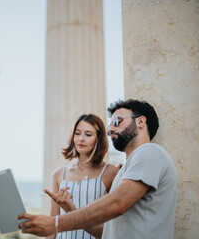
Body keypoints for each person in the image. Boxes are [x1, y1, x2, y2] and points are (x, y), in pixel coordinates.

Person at [18, 99, 178, 239]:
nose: (110, 129)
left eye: (117, 121)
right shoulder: (125, 170)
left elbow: (117, 203)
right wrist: (72, 210)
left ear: (140, 122)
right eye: (110, 125)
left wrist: (56, 223)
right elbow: (106, 233)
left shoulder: (150, 152)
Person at [44, 114, 118, 239]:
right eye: (77, 133)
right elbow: (53, 224)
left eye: (88, 135)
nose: (81, 139)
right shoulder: (59, 174)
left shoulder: (110, 172)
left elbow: (113, 226)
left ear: (98, 139)